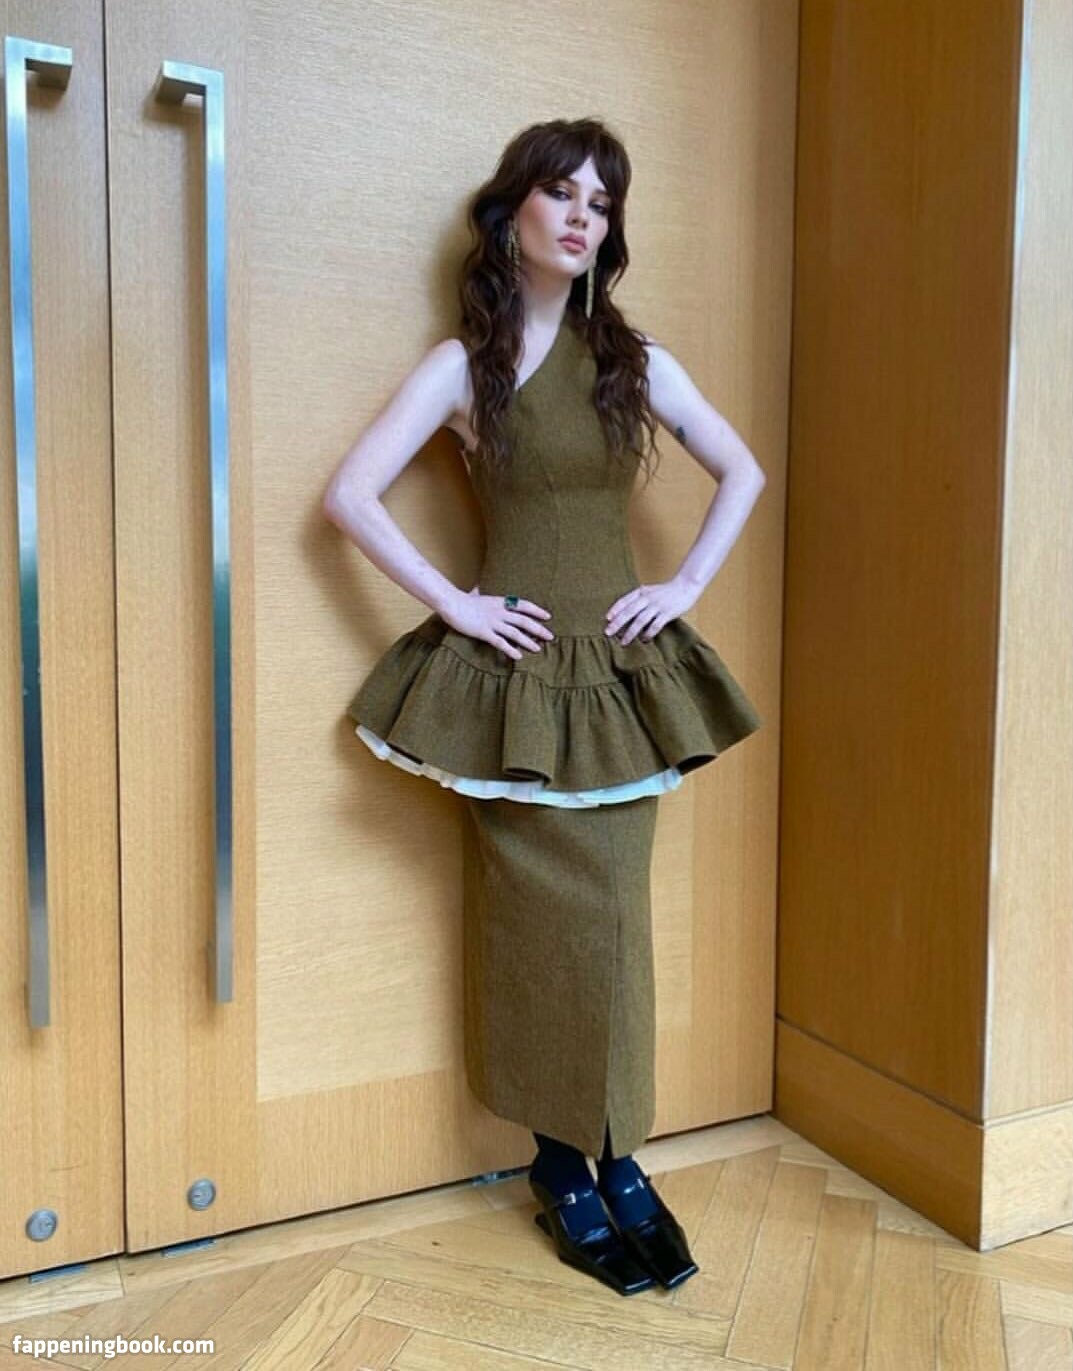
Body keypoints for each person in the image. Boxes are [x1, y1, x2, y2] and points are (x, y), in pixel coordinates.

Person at [322, 117, 765, 1297]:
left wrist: (681, 587)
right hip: (513, 693)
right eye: (560, 193)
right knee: (529, 927)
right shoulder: (459, 368)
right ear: (510, 211)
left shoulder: (633, 360)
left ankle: (620, 1156)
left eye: (599, 202)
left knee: (614, 925)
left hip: (618, 688)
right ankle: (560, 1162)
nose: (580, 217)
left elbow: (743, 470)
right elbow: (350, 496)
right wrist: (456, 605)